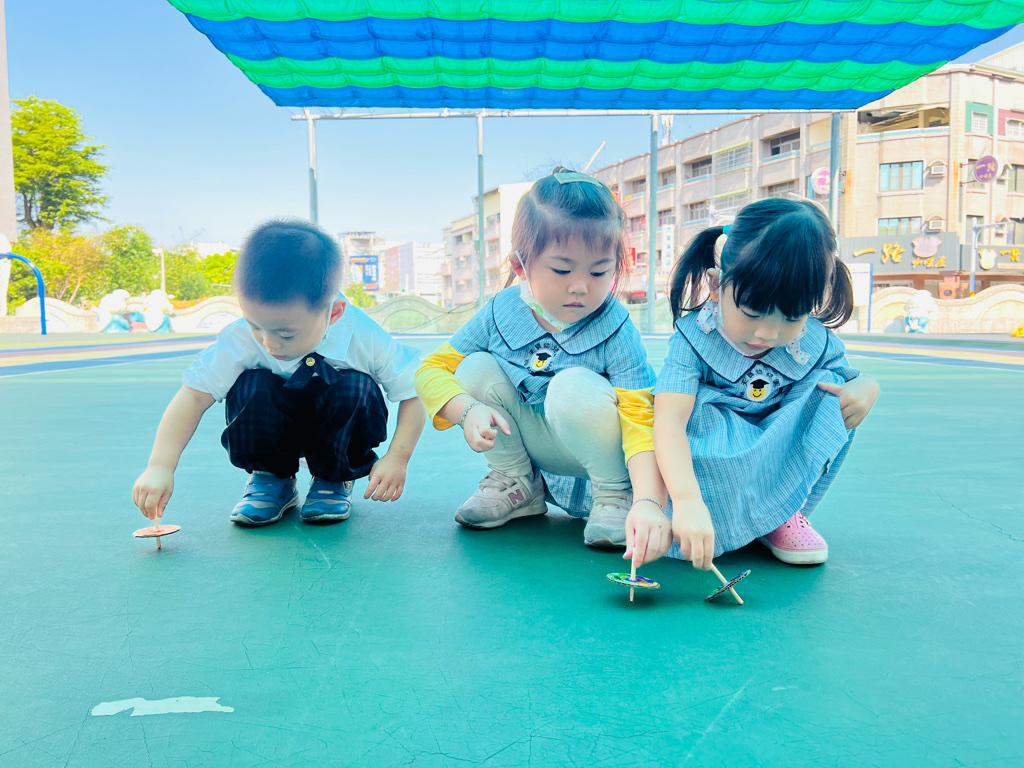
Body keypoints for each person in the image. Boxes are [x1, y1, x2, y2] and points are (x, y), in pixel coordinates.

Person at [414, 168, 666, 548]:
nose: (580, 287)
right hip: (535, 444)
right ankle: (517, 483)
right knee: (473, 367)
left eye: (600, 271)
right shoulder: (501, 310)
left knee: (570, 386)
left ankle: (614, 495)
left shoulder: (615, 325)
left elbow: (640, 416)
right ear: (521, 266)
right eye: (562, 269)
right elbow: (431, 368)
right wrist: (467, 410)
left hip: (601, 457)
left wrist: (648, 501)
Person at [628, 198, 879, 570]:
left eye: (791, 317)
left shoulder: (812, 340)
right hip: (706, 459)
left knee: (833, 390)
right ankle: (697, 514)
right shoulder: (695, 337)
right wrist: (685, 501)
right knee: (678, 424)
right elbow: (668, 420)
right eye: (752, 312)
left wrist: (868, 386)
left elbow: (847, 376)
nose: (767, 333)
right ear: (716, 285)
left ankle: (781, 513)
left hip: (770, 452)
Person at [132, 220, 425, 527]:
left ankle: (333, 478)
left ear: (334, 313)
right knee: (250, 384)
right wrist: (160, 466)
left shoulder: (362, 335)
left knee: (355, 386)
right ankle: (272, 476)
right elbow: (193, 397)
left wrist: (398, 457)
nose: (269, 344)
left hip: (336, 424)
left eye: (286, 334)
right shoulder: (240, 338)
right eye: (255, 326)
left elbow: (414, 391)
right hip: (273, 426)